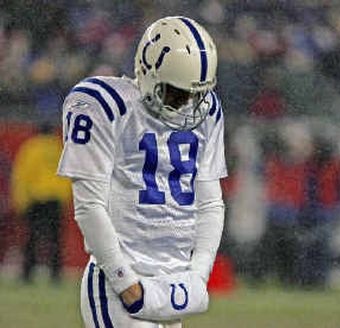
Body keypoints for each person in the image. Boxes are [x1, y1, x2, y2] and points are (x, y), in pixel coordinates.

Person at [57, 16, 227, 328]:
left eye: (196, 94)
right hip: (122, 284)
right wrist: (126, 282)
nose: (187, 104)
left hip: (174, 283)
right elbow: (89, 205)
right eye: (176, 93)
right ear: (148, 71)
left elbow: (211, 203)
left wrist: (196, 278)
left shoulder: (208, 111)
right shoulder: (107, 105)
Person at [11, 122, 71, 283]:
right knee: (55, 240)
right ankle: (56, 274)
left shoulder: (31, 148)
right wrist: (65, 198)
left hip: (36, 201)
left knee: (31, 239)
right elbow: (67, 175)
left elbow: (22, 176)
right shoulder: (59, 148)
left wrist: (21, 201)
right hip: (55, 201)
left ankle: (27, 273)